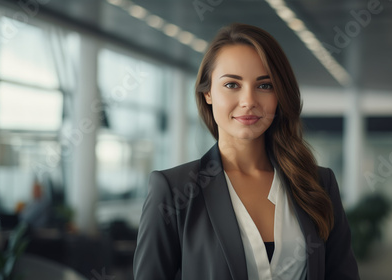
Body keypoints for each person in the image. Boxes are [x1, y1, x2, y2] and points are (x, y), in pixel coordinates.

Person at [133, 23, 360, 280]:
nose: (249, 101)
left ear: (280, 95)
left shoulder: (318, 183)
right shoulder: (173, 191)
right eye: (232, 85)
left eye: (265, 86)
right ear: (207, 92)